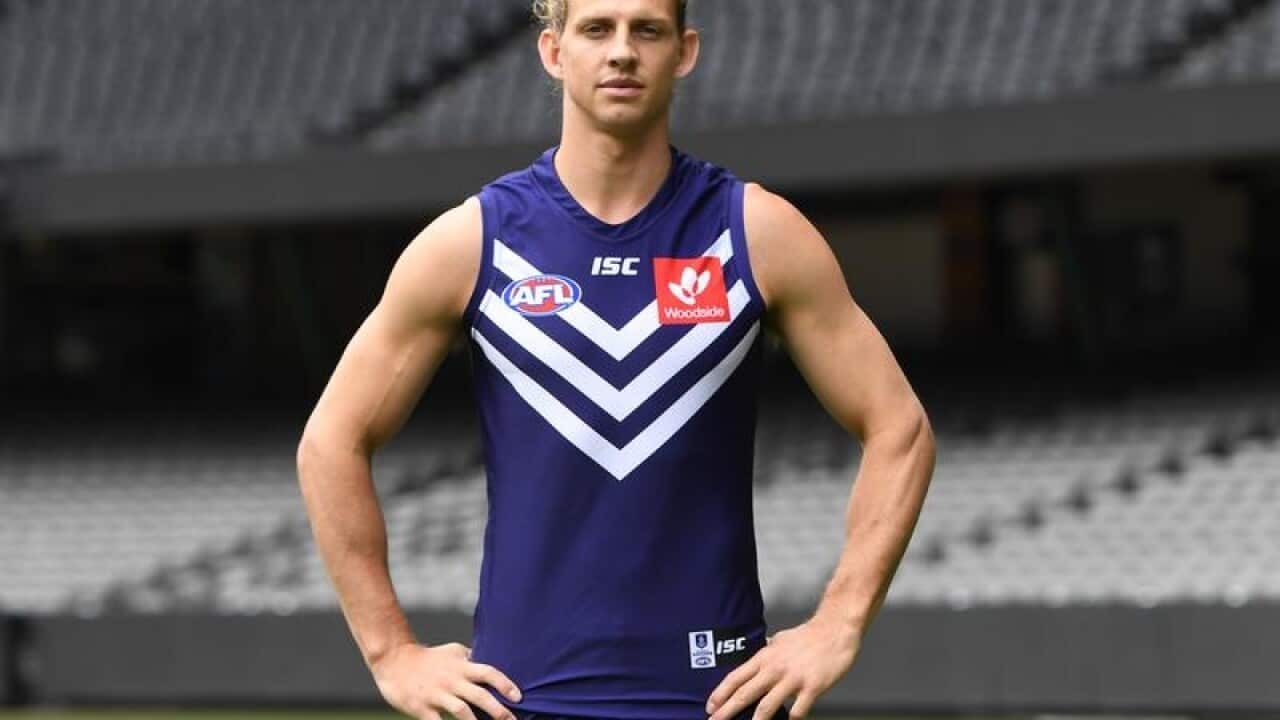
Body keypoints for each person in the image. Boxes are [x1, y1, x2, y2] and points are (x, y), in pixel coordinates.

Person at [295, 1, 936, 719]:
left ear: (684, 51)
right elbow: (330, 443)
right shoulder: (473, 243)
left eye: (648, 30)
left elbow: (900, 431)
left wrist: (838, 625)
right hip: (520, 701)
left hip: (715, 699)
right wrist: (392, 654)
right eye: (597, 29)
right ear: (552, 51)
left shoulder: (757, 234)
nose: (623, 51)